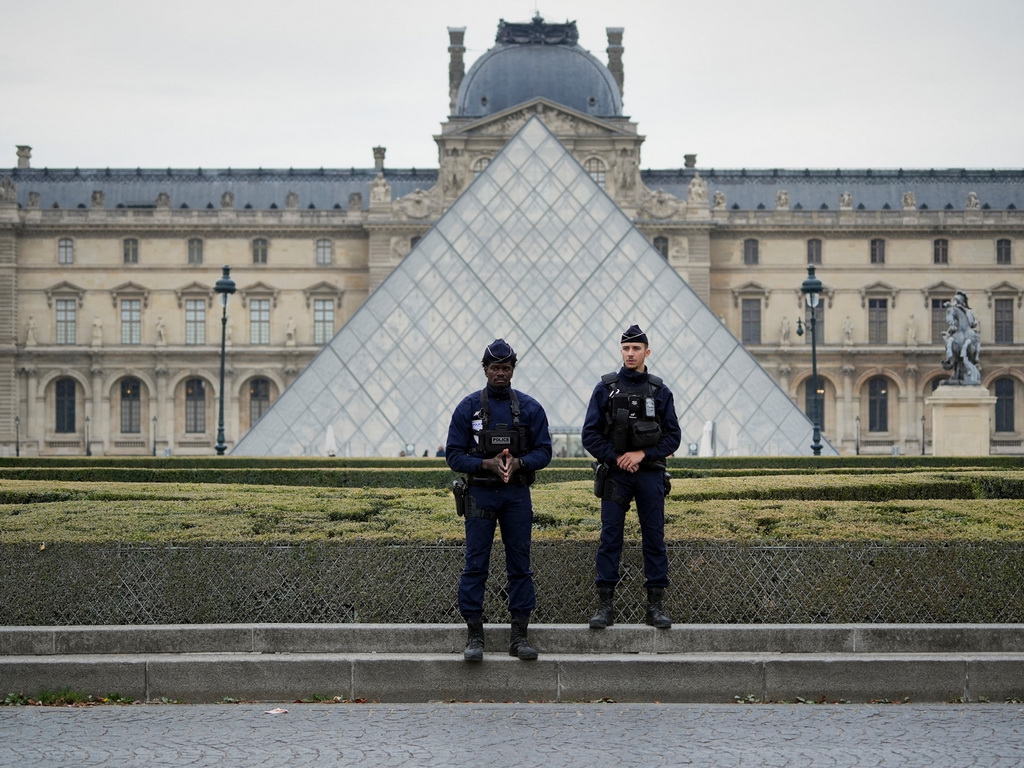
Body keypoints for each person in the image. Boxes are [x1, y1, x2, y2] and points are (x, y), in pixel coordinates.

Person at [446, 339, 552, 662]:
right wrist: (485, 464)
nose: (500, 374)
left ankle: (519, 636)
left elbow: (545, 451)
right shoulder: (467, 408)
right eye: (495, 368)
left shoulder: (531, 409)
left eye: (506, 368)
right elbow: (453, 455)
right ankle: (474, 635)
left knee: (520, 565)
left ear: (513, 370)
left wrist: (519, 463)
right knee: (475, 564)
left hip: (516, 494)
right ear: (485, 370)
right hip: (479, 492)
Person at [582, 324, 681, 629]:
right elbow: (590, 435)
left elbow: (673, 438)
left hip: (649, 474)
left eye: (636, 348)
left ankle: (655, 607)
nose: (630, 353)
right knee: (610, 539)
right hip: (616, 476)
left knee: (654, 539)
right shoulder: (605, 389)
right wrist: (616, 458)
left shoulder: (660, 391)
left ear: (647, 352)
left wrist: (641, 455)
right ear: (620, 350)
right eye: (626, 348)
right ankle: (605, 606)